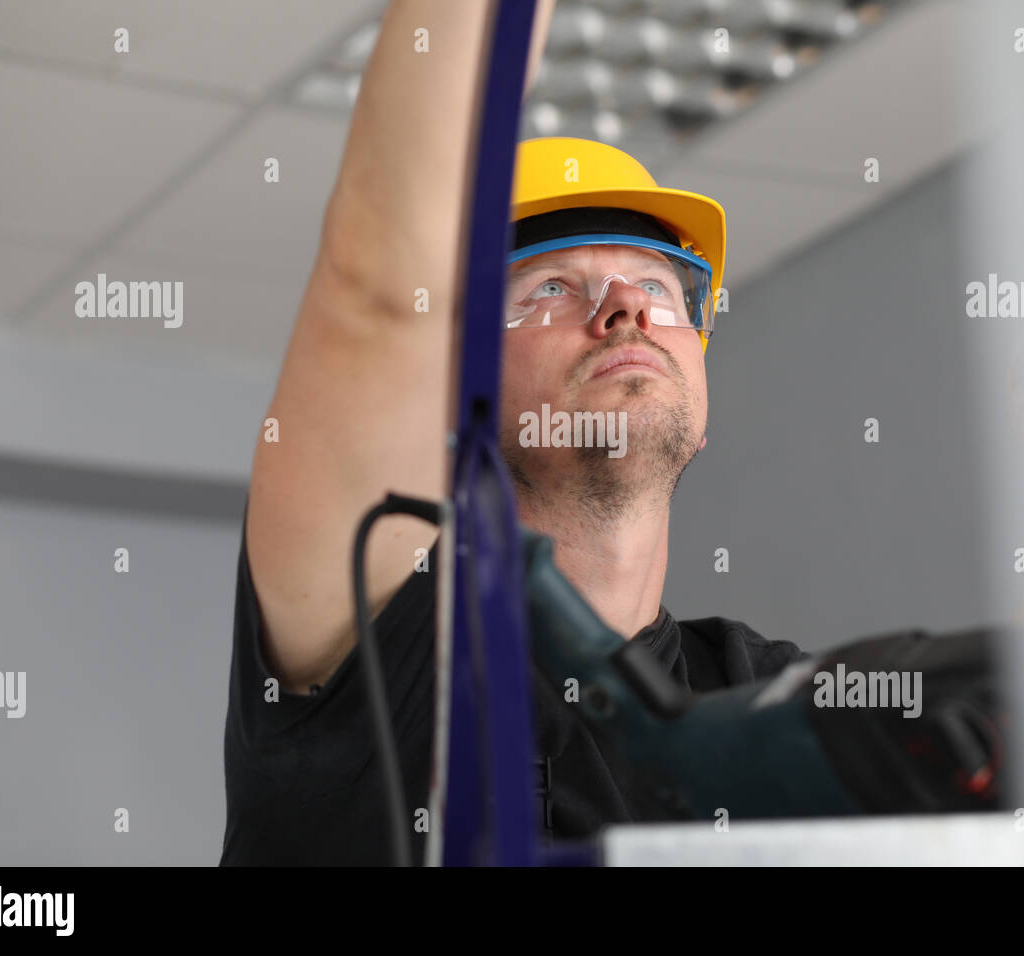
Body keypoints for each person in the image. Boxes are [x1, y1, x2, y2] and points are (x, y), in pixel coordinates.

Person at [219, 0, 806, 866]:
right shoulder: (383, 645)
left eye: (659, 285)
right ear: (453, 395)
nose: (628, 309)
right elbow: (378, 295)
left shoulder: (761, 698)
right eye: (551, 290)